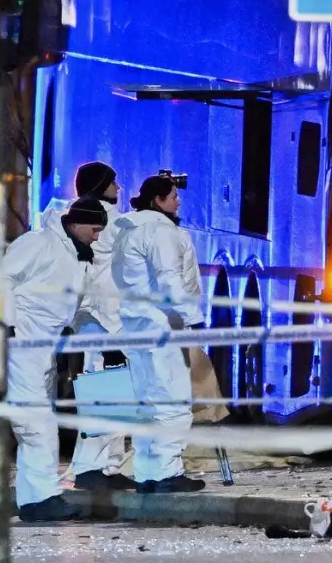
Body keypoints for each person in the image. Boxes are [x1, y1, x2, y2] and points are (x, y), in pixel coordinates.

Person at [2, 195, 108, 521]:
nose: (98, 235)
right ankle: (42, 498)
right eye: (94, 228)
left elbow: (79, 309)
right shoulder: (37, 244)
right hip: (20, 343)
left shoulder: (77, 257)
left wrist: (107, 339)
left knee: (37, 422)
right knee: (36, 423)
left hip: (41, 349)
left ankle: (36, 499)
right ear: (76, 224)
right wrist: (3, 326)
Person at [108, 174, 207, 494]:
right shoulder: (162, 232)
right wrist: (193, 319)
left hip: (136, 325)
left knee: (147, 402)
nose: (178, 200)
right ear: (157, 200)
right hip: (166, 325)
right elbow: (169, 279)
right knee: (173, 401)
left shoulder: (128, 230)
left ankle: (148, 472)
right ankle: (166, 472)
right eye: (173, 195)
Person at [64, 161, 139, 491]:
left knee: (111, 392)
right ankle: (93, 467)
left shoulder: (95, 221)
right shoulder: (106, 222)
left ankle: (106, 466)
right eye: (113, 183)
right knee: (104, 391)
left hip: (101, 319)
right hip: (103, 320)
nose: (119, 188)